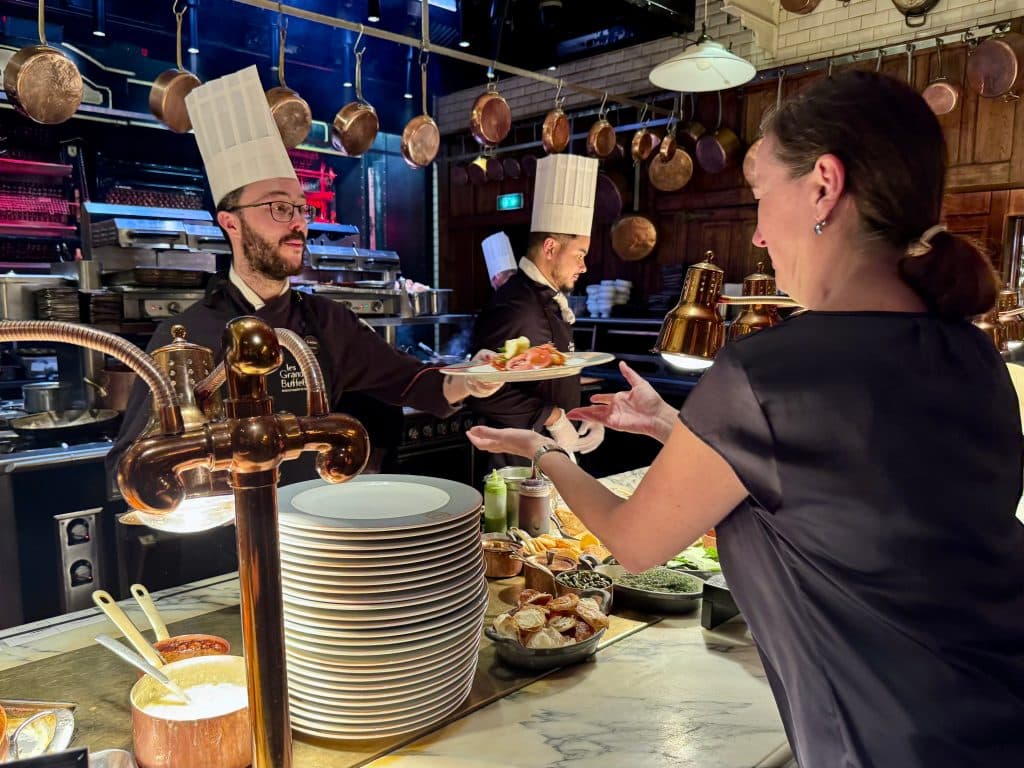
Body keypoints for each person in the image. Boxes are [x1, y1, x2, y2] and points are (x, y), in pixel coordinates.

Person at [468, 70, 1024, 767]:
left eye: (761, 195)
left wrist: (539, 453)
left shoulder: (769, 371)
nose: (757, 235)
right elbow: (845, 494)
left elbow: (634, 546)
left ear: (823, 184)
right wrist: (677, 428)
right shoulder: (974, 355)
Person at [107, 66, 500, 484]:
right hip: (220, 540)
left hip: (312, 536)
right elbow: (129, 468)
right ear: (230, 222)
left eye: (300, 208)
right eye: (278, 207)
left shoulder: (327, 322)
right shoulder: (183, 334)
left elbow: (416, 384)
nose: (297, 223)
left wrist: (472, 379)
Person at [469, 155, 605, 468]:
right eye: (580, 255)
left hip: (548, 457)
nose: (584, 267)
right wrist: (554, 418)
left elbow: (547, 380)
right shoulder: (515, 304)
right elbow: (484, 390)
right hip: (514, 466)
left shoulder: (547, 300)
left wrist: (583, 415)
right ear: (550, 249)